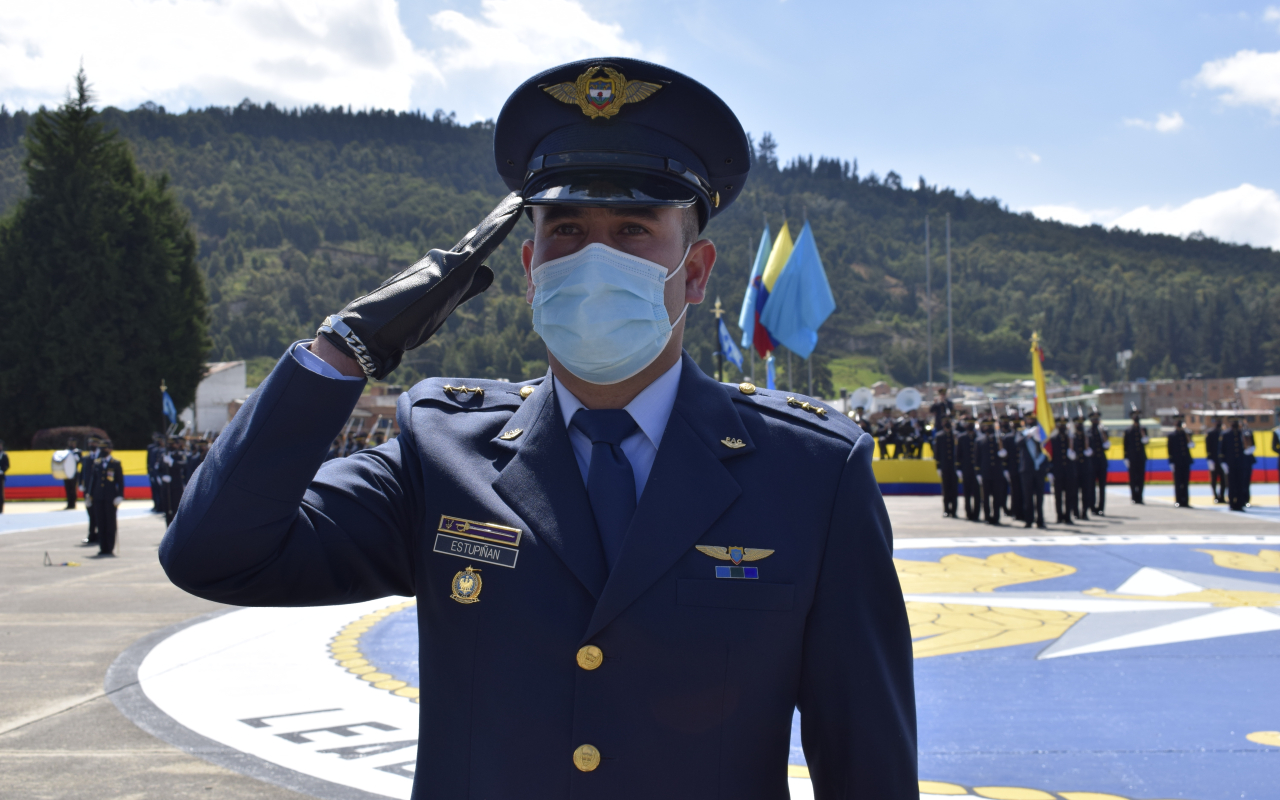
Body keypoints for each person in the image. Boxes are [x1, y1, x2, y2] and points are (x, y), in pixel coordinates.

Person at [159, 58, 918, 799]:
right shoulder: (442, 449)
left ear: (694, 272)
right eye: (566, 230)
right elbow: (215, 554)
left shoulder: (809, 473)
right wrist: (346, 349)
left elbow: (866, 763)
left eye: (631, 229)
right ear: (529, 266)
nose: (593, 257)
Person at [84, 439, 124, 556]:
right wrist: (89, 495)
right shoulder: (97, 463)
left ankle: (109, 547)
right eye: (101, 448)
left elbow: (120, 481)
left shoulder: (115, 463)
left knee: (110, 523)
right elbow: (93, 480)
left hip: (110, 498)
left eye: (105, 448)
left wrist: (120, 495)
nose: (103, 450)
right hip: (98, 497)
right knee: (100, 522)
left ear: (110, 449)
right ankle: (102, 547)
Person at [1018, 417, 1049, 529]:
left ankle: (1040, 520)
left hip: (1039, 469)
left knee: (1040, 496)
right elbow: (1018, 444)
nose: (1030, 420)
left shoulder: (1042, 433)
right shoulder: (1022, 432)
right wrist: (1028, 435)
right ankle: (1028, 520)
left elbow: (1047, 449)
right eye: (1029, 419)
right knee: (1027, 496)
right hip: (1027, 469)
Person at [1220, 418, 1254, 511]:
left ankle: (1240, 503)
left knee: (1241, 484)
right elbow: (1222, 449)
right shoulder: (1226, 434)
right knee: (1231, 484)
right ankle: (1232, 503)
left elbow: (1250, 446)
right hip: (1230, 463)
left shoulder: (1243, 433)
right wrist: (1223, 462)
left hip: (1241, 463)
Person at [976, 417, 1004, 525]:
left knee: (997, 496)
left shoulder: (999, 439)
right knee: (985, 497)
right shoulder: (980, 440)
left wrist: (1003, 453)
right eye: (985, 425)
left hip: (997, 473)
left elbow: (1004, 456)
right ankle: (987, 516)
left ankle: (996, 516)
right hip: (985, 472)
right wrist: (978, 472)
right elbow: (977, 458)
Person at [1049, 417, 1077, 525]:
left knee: (1069, 495)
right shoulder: (1053, 439)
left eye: (1064, 425)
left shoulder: (1071, 438)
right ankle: (1059, 516)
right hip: (1058, 472)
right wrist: (1050, 471)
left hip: (1069, 472)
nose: (1062, 427)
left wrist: (1072, 451)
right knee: (1058, 496)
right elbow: (1051, 456)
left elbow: (1078, 454)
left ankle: (1068, 516)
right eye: (1060, 425)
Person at [933, 416, 958, 518]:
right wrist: (938, 466)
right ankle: (946, 509)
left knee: (954, 489)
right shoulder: (939, 436)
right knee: (946, 489)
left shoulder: (955, 435)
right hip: (944, 466)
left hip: (954, 466)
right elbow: (937, 452)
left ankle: (954, 510)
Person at [957, 415, 981, 521]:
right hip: (966, 469)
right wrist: (958, 468)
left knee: (977, 493)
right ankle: (968, 513)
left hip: (977, 470)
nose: (970, 425)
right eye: (968, 423)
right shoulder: (962, 437)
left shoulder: (978, 437)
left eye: (972, 423)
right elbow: (958, 454)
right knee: (966, 493)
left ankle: (976, 514)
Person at [1087, 409, 1110, 515]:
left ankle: (1101, 508)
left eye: (1097, 419)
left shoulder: (1103, 432)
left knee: (1102, 487)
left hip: (1101, 462)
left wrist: (1103, 433)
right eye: (1094, 419)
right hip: (1091, 463)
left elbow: (1106, 446)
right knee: (1091, 486)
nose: (1096, 421)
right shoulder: (1088, 432)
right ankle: (1092, 507)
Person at [1001, 414, 1023, 523]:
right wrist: (1005, 468)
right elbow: (1006, 456)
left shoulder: (1025, 435)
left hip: (1023, 468)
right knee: (1015, 492)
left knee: (1024, 492)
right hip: (1013, 468)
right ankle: (1016, 512)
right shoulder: (1008, 438)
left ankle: (1024, 512)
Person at [1123, 409, 1148, 504]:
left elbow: (1146, 441)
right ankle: (1134, 497)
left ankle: (1140, 497)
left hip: (1141, 457)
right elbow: (1125, 445)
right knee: (1133, 478)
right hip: (1132, 458)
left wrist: (1143, 434)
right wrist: (1125, 457)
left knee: (1141, 478)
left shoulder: (1143, 429)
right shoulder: (1128, 430)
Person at [1167, 416, 1193, 508]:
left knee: (1185, 482)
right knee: (1178, 482)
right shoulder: (1172, 435)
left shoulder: (1186, 434)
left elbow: (1191, 445)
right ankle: (1178, 500)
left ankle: (1185, 501)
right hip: (1176, 462)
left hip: (1185, 461)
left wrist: (1186, 434)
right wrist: (1171, 462)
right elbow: (1170, 450)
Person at [80, 437, 101, 545]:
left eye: (93, 442)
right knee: (90, 513)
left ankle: (100, 535)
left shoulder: (102, 457)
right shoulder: (86, 457)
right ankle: (92, 534)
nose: (91, 444)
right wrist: (80, 484)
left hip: (98, 490)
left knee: (99, 514)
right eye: (90, 443)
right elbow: (82, 472)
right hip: (88, 490)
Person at [1072, 415, 1092, 522]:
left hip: (1085, 468)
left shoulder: (1087, 436)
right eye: (1077, 423)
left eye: (1081, 423)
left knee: (1086, 492)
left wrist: (1089, 451)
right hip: (1075, 468)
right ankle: (1075, 512)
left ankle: (1084, 512)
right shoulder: (1072, 437)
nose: (1079, 425)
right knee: (1074, 492)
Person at [1205, 416, 1225, 503]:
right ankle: (1215, 496)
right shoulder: (1210, 433)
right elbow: (1208, 447)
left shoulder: (1224, 433)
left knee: (1223, 480)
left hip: (1222, 461)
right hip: (1213, 459)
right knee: (1214, 479)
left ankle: (1222, 496)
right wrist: (1209, 459)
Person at [60, 437, 81, 510]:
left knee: (73, 489)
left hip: (74, 472)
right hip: (67, 472)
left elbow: (80, 461)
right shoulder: (66, 451)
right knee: (68, 489)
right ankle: (69, 503)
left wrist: (77, 458)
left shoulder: (77, 451)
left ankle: (73, 503)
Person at [0, 439, 8, 514]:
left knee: (0, 493)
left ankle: (1, 509)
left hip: (1, 476)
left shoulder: (4, 455)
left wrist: (3, 470)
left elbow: (7, 465)